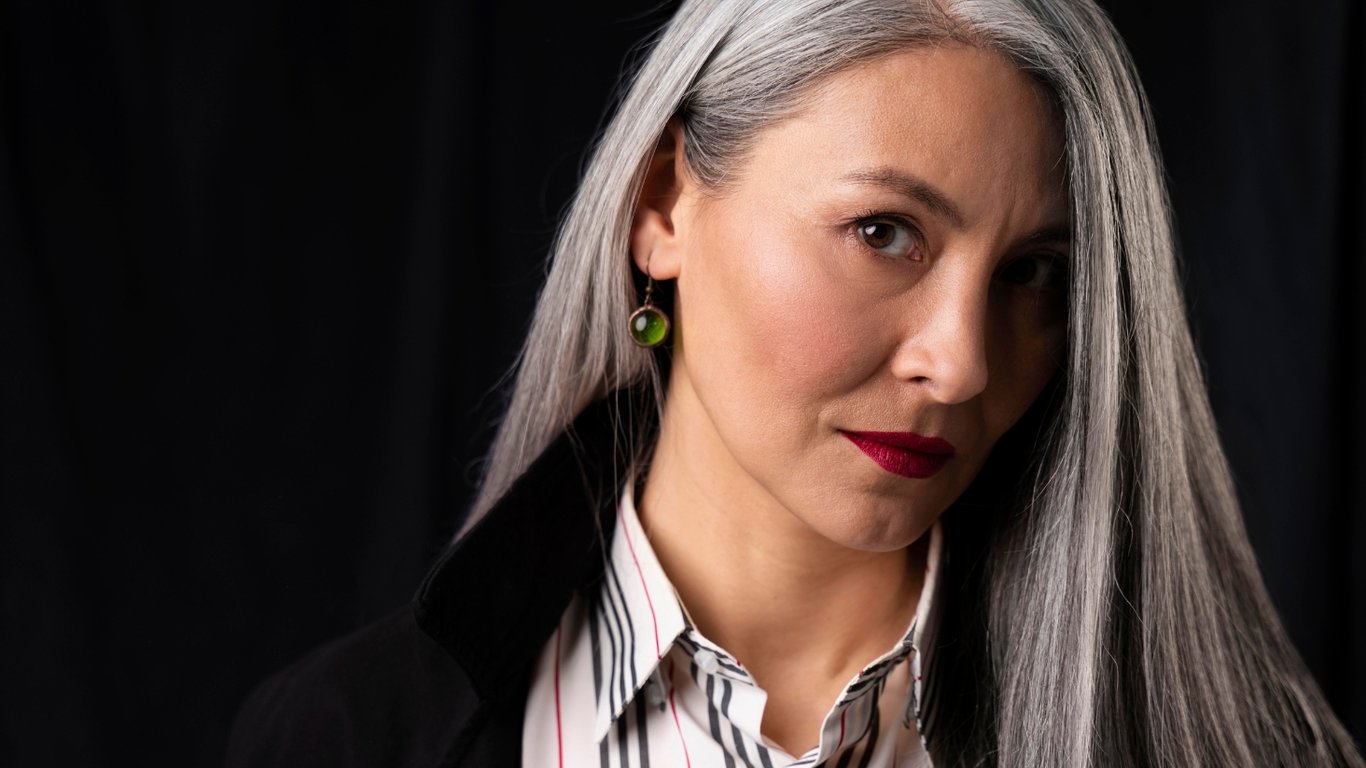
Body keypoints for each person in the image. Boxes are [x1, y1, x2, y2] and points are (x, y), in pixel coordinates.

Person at [227, 0, 1364, 765]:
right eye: (883, 231)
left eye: (1032, 275)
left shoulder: (1233, 747)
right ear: (663, 205)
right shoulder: (347, 737)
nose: (961, 361)